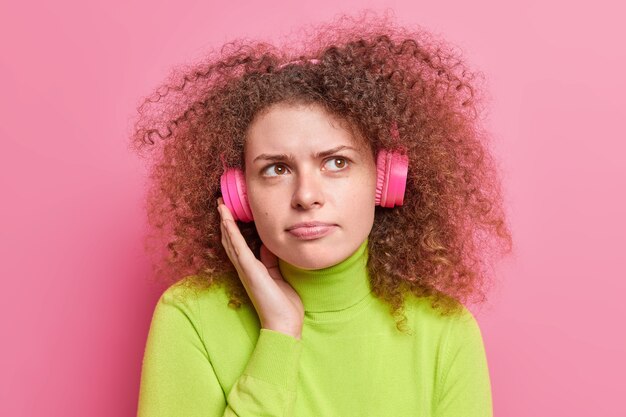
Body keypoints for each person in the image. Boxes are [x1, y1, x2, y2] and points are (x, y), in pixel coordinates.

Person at [130, 11, 513, 417]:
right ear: (240, 193)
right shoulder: (190, 316)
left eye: (336, 163)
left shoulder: (446, 334)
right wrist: (279, 336)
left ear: (385, 180)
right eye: (276, 169)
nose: (307, 196)